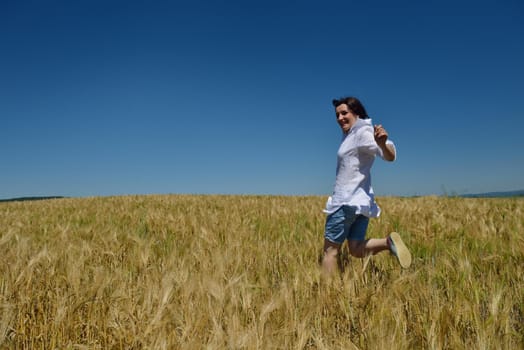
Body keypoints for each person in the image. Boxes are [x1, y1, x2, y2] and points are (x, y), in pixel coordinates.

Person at [321, 96, 411, 275]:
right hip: (361, 204)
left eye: (344, 113)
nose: (340, 118)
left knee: (330, 252)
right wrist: (382, 144)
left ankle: (327, 297)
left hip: (345, 202)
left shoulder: (361, 132)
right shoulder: (351, 134)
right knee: (355, 249)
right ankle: (388, 243)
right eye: (337, 115)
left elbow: (389, 156)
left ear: (356, 112)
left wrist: (383, 143)